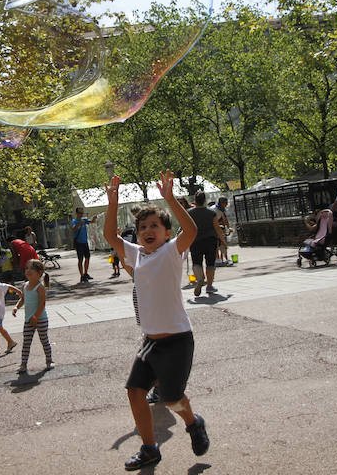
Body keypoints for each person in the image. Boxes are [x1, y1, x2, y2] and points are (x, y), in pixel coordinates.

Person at [103, 170, 208, 470]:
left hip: (177, 340)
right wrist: (113, 202)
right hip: (151, 342)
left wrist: (170, 198)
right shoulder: (137, 255)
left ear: (165, 232)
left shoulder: (172, 252)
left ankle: (193, 422)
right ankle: (150, 448)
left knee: (173, 400)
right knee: (135, 391)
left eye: (155, 226)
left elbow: (190, 232)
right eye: (143, 227)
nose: (148, 230)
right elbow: (111, 236)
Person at [12, 259, 53, 374]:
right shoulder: (24, 285)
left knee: (44, 340)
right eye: (26, 268)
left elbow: (42, 304)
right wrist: (16, 307)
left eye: (32, 269)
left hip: (40, 319)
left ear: (39, 273)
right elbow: (23, 299)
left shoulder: (40, 287)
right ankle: (23, 364)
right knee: (26, 342)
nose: (28, 271)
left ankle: (49, 360)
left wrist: (36, 316)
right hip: (28, 320)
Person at [187, 191, 221, 296]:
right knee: (210, 263)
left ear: (195, 200)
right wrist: (223, 240)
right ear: (204, 200)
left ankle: (200, 279)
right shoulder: (211, 213)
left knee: (197, 263)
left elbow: (186, 228)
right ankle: (209, 286)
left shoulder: (189, 213)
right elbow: (217, 228)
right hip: (210, 241)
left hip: (195, 241)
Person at [71, 207, 97, 283]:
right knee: (80, 259)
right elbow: (73, 229)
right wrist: (79, 223)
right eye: (80, 213)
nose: (81, 214)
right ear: (77, 213)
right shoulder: (74, 221)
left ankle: (86, 273)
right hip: (79, 243)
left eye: (82, 213)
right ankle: (81, 275)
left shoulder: (84, 219)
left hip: (85, 242)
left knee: (88, 258)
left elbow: (92, 221)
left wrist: (94, 218)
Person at [211, 197, 232, 265]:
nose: (226, 204)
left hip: (218, 225)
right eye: (225, 203)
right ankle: (218, 259)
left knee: (222, 242)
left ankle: (225, 259)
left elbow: (225, 219)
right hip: (211, 226)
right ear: (222, 203)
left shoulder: (222, 210)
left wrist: (228, 228)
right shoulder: (214, 209)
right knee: (216, 243)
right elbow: (211, 220)